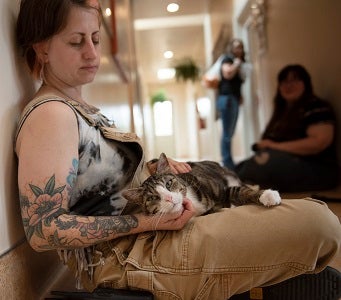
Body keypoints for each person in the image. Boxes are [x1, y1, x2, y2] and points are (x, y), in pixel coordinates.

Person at [15, 1, 341, 299]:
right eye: (76, 41)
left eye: (96, 39)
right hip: (131, 258)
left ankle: (280, 281)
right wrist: (147, 222)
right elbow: (44, 231)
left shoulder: (79, 106)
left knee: (300, 219)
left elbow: (98, 186)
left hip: (152, 240)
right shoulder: (51, 115)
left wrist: (153, 169)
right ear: (42, 48)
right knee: (319, 223)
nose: (91, 53)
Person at [236, 64, 339, 193]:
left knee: (256, 166)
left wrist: (273, 146)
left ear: (306, 83)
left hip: (317, 169)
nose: (289, 85)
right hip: (286, 164)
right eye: (284, 81)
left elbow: (319, 142)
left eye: (295, 80)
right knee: (239, 167)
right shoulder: (281, 113)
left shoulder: (316, 107)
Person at [203, 38, 246, 170]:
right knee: (227, 133)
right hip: (226, 99)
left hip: (232, 99)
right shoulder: (228, 59)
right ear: (231, 48)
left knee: (229, 132)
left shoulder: (240, 63)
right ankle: (227, 163)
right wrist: (237, 63)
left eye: (240, 47)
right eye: (235, 47)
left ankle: (228, 161)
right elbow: (227, 74)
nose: (238, 49)